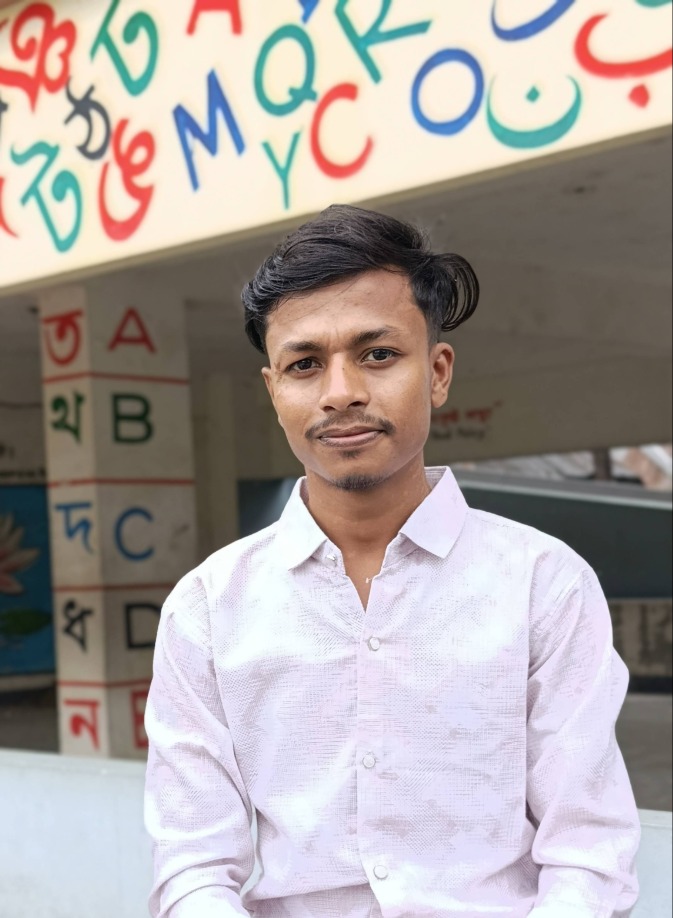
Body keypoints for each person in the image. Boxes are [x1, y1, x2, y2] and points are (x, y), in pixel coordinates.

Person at [144, 205, 640, 918]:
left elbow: (588, 854)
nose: (340, 392)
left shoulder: (543, 584)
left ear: (436, 372)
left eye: (376, 354)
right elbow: (192, 866)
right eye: (304, 364)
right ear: (274, 392)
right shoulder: (207, 609)